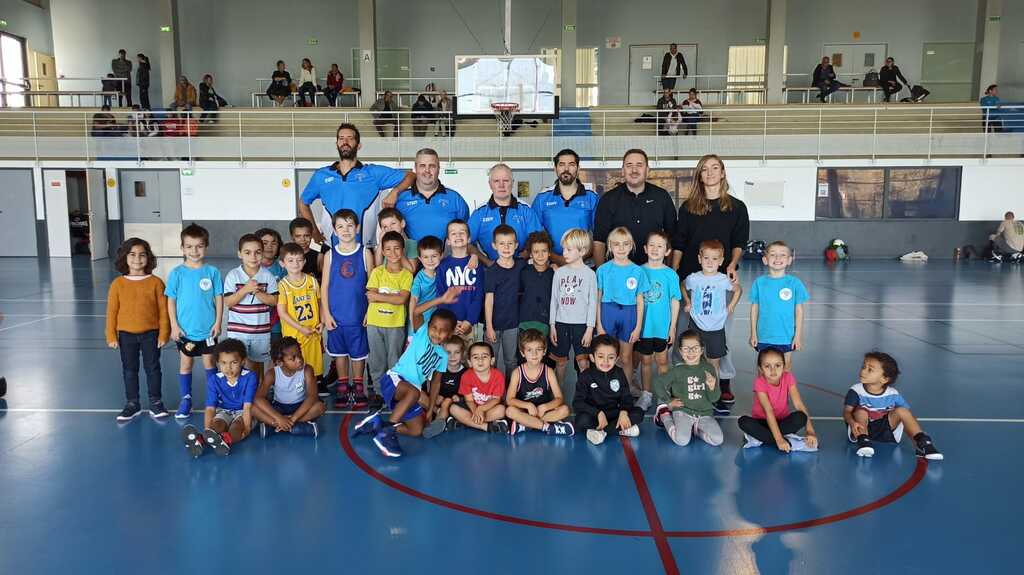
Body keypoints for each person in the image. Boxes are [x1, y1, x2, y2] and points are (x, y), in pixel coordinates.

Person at [672, 154, 750, 408]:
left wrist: (731, 264)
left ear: (723, 172)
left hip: (720, 281)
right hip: (691, 280)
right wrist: (674, 271)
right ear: (699, 175)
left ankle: (722, 381)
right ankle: (683, 379)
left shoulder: (737, 208)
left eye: (715, 168)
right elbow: (679, 242)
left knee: (721, 334)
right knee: (686, 334)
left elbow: (739, 242)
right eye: (704, 169)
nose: (710, 172)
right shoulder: (688, 208)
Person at [352, 310, 459, 457]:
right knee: (414, 393)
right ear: (428, 326)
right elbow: (416, 312)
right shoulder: (422, 334)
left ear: (450, 333)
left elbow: (436, 383)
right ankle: (385, 434)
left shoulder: (443, 356)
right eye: (434, 328)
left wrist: (430, 410)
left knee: (416, 430)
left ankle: (376, 425)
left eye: (443, 331)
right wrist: (440, 299)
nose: (437, 333)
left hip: (410, 394)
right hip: (394, 380)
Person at [298, 123, 415, 247]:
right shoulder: (321, 176)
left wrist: (395, 192)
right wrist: (314, 231)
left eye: (350, 138)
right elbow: (303, 203)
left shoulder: (372, 173)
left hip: (365, 248)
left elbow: (411, 176)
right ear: (337, 144)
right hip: (331, 247)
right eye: (341, 138)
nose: (345, 142)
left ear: (358, 145)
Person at [106, 238, 170, 421]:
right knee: (129, 370)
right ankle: (132, 403)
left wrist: (164, 333)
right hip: (126, 335)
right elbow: (111, 312)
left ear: (148, 258)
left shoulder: (156, 283)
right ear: (125, 258)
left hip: (151, 334)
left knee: (153, 369)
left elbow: (163, 311)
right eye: (132, 255)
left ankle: (156, 402)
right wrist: (111, 335)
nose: (137, 259)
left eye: (142, 255)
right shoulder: (117, 284)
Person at [165, 224, 224, 419]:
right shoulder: (177, 273)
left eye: (199, 246)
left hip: (208, 331)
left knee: (210, 363)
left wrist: (218, 323)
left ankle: (213, 398)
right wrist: (174, 325)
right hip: (185, 331)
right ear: (182, 248)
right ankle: (186, 399)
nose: (194, 251)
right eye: (189, 246)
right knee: (186, 364)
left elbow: (219, 298)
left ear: (206, 247)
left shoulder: (212, 272)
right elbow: (171, 301)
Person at [321, 209, 376, 410]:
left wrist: (370, 311)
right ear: (334, 231)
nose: (345, 230)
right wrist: (326, 314)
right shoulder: (330, 255)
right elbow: (324, 286)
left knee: (358, 353)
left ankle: (358, 386)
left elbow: (373, 286)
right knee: (339, 353)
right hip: (336, 316)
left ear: (358, 228)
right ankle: (343, 386)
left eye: (350, 226)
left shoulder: (365, 253)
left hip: (358, 315)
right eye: (341, 227)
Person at [844, 351, 943, 460]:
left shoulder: (893, 394)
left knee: (902, 411)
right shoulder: (856, 390)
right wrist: (852, 423)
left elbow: (907, 415)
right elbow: (847, 412)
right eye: (863, 367)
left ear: (884, 379)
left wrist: (915, 432)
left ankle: (923, 443)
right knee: (860, 412)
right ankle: (864, 441)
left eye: (870, 369)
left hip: (886, 430)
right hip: (861, 428)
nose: (863, 371)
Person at [593, 149, 678, 266]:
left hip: (653, 272)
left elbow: (671, 238)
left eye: (639, 165)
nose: (634, 170)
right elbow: (599, 241)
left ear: (647, 170)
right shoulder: (608, 199)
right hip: (617, 272)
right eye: (629, 165)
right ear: (623, 171)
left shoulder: (662, 197)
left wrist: (668, 271)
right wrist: (601, 273)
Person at [596, 227, 650, 406]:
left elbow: (640, 300)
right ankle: (604, 392)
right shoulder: (603, 270)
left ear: (631, 246)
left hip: (629, 313)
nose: (621, 248)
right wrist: (599, 324)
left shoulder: (637, 271)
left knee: (626, 357)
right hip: (608, 312)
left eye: (625, 244)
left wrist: (638, 326)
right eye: (617, 244)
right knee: (606, 355)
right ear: (610, 246)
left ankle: (624, 392)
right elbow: (598, 298)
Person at [181, 339, 256, 457]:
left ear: (243, 361)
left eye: (234, 362)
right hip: (224, 411)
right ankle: (201, 439)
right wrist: (208, 430)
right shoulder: (214, 379)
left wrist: (246, 429)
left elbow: (247, 406)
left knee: (236, 428)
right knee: (217, 425)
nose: (228, 368)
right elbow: (210, 408)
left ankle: (225, 440)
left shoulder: (250, 377)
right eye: (223, 363)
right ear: (218, 363)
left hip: (243, 412)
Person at [549, 228, 598, 403]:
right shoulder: (559, 273)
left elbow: (593, 303)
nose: (564, 253)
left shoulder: (590, 275)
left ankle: (585, 397)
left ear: (582, 251)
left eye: (569, 249)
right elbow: (554, 300)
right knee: (560, 362)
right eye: (564, 248)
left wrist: (590, 328)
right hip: (561, 323)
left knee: (583, 362)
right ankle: (557, 396)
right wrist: (552, 325)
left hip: (582, 325)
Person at [223, 234, 279, 384]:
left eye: (257, 252)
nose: (253, 257)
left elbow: (274, 301)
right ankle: (239, 393)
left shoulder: (267, 276)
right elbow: (228, 302)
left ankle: (256, 393)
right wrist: (245, 289)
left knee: (255, 366)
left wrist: (258, 292)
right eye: (247, 252)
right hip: (238, 332)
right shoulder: (233, 275)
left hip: (260, 332)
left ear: (262, 253)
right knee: (237, 365)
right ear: (239, 254)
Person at [737, 347, 818, 452]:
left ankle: (762, 438)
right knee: (743, 421)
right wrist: (779, 440)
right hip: (762, 422)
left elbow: (799, 405)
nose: (773, 370)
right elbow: (768, 410)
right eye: (767, 366)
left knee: (800, 417)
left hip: (782, 422)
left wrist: (810, 431)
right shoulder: (759, 382)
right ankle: (790, 441)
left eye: (777, 365)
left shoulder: (788, 377)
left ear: (784, 367)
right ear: (760, 369)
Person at [653, 330, 723, 447]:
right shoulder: (677, 370)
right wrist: (668, 401)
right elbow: (658, 382)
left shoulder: (709, 369)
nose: (691, 352)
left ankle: (695, 429)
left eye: (695, 348)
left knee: (718, 440)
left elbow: (714, 398)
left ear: (701, 350)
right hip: (683, 412)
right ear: (680, 351)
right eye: (686, 349)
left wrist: (711, 387)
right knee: (682, 441)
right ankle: (664, 415)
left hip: (704, 414)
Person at [682, 240, 741, 376]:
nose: (710, 262)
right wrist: (688, 301)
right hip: (696, 325)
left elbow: (737, 290)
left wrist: (731, 305)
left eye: (714, 259)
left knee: (713, 363)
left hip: (716, 327)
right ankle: (696, 387)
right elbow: (683, 285)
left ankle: (713, 388)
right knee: (694, 360)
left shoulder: (723, 279)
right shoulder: (693, 278)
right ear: (699, 259)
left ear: (721, 261)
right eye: (706, 258)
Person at [531, 149, 599, 266]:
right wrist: (556, 258)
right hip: (551, 266)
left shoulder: (592, 197)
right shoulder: (542, 199)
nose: (566, 169)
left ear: (578, 168)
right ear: (555, 169)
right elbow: (535, 236)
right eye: (561, 164)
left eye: (571, 164)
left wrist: (577, 258)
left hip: (584, 265)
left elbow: (598, 236)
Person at [366, 231, 414, 396]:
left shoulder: (407, 275)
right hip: (374, 323)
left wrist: (379, 296)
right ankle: (379, 393)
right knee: (376, 360)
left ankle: (393, 393)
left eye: (397, 248)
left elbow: (402, 300)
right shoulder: (377, 272)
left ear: (403, 250)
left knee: (394, 360)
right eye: (388, 249)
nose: (393, 253)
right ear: (383, 251)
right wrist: (392, 297)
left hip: (395, 324)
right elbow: (370, 296)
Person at [468, 163, 543, 266]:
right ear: (490, 184)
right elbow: (467, 243)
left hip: (521, 270)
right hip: (488, 270)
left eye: (506, 181)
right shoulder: (479, 213)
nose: (501, 185)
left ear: (512, 183)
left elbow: (537, 241)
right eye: (496, 181)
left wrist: (518, 262)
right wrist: (488, 262)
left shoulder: (526, 211)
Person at [637, 230, 681, 405]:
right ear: (645, 248)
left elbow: (675, 302)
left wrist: (672, 327)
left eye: (660, 246)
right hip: (644, 327)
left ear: (667, 251)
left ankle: (664, 394)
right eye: (652, 245)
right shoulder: (638, 271)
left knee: (662, 361)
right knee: (645, 361)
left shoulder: (670, 274)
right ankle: (646, 395)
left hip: (662, 327)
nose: (655, 249)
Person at [749, 241, 808, 371]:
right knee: (763, 369)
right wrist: (753, 333)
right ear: (765, 259)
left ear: (789, 260)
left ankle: (783, 387)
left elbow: (799, 311)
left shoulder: (795, 283)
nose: (777, 258)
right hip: (764, 335)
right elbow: (754, 309)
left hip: (786, 336)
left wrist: (797, 336)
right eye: (773, 255)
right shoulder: (759, 283)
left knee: (785, 367)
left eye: (782, 255)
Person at [574, 335, 643, 445]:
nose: (605, 361)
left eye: (610, 357)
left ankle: (600, 432)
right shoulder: (585, 376)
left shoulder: (619, 373)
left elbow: (626, 397)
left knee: (638, 413)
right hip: (594, 415)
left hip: (614, 414)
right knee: (582, 420)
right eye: (601, 357)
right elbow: (577, 403)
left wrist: (623, 412)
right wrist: (598, 413)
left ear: (616, 359)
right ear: (592, 357)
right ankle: (620, 430)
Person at [390, 148, 470, 242]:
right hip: (409, 251)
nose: (427, 170)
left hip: (446, 252)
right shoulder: (400, 199)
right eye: (422, 166)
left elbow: (466, 234)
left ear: (438, 168)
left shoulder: (455, 199)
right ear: (416, 168)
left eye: (432, 166)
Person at [276, 242, 326, 395]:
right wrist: (300, 328)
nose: (295, 264)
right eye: (290, 260)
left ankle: (312, 395)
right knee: (295, 365)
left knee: (312, 367)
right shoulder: (283, 285)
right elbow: (282, 312)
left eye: (299, 260)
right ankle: (295, 396)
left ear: (304, 261)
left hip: (312, 332)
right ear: (282, 263)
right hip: (295, 335)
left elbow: (320, 303)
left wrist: (322, 321)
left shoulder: (312, 281)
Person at [252, 337, 324, 438]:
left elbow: (312, 397)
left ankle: (277, 426)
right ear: (280, 362)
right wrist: (278, 417)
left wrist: (293, 419)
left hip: (300, 408)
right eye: (293, 358)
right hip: (279, 408)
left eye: (299, 354)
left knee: (320, 407)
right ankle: (293, 426)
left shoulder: (307, 370)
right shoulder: (272, 373)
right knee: (252, 408)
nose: (299, 360)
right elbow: (258, 398)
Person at [506, 329, 574, 435]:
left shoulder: (548, 372)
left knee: (565, 410)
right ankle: (548, 428)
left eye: (538, 349)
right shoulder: (517, 373)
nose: (534, 354)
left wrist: (545, 407)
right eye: (529, 350)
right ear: (522, 353)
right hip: (525, 411)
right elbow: (509, 400)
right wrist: (528, 405)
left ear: (544, 351)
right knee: (510, 411)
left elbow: (559, 398)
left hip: (543, 411)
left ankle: (526, 425)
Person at [484, 225, 526, 375]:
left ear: (516, 245)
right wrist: (489, 326)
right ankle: (492, 389)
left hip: (513, 324)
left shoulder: (521, 266)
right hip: (493, 325)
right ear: (494, 246)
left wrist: (552, 264)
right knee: (491, 361)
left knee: (511, 361)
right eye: (501, 243)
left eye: (510, 243)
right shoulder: (491, 271)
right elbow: (488, 301)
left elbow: (538, 266)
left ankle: (511, 389)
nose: (506, 247)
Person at [436, 219, 485, 342]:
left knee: (473, 353)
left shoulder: (476, 265)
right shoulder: (442, 266)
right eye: (453, 233)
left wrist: (469, 320)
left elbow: (478, 296)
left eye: (462, 232)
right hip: (449, 324)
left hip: (471, 324)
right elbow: (441, 297)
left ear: (469, 239)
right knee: (451, 353)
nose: (458, 235)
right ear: (448, 241)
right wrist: (450, 320)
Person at [447, 342, 509, 433]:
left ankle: (466, 422)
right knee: (453, 409)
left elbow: (496, 399)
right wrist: (476, 412)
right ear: (469, 362)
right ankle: (486, 426)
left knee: (501, 410)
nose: (480, 360)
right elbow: (469, 400)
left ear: (492, 360)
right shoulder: (466, 376)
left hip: (489, 408)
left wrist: (481, 409)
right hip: (472, 408)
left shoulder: (498, 376)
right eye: (475, 357)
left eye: (484, 356)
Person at [409, 235, 462, 332]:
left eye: (434, 256)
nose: (430, 260)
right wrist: (412, 324)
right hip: (420, 322)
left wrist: (474, 256)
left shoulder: (444, 271)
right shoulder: (419, 279)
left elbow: (460, 256)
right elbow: (413, 300)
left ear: (441, 256)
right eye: (425, 257)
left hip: (438, 322)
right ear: (420, 258)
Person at [422, 335, 468, 438]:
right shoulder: (438, 369)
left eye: (457, 352)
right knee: (417, 394)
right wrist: (435, 396)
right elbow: (427, 388)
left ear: (462, 354)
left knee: (447, 402)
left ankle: (438, 422)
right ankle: (439, 414)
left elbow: (469, 394)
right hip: (435, 404)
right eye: (448, 352)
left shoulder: (466, 373)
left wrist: (459, 397)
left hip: (454, 404)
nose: (452, 356)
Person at [519, 231, 555, 337]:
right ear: (530, 254)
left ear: (549, 252)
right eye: (536, 252)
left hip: (546, 322)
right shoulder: (523, 271)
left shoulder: (554, 274)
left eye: (544, 251)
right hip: (524, 321)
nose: (540, 255)